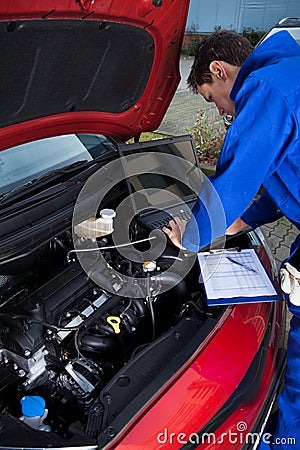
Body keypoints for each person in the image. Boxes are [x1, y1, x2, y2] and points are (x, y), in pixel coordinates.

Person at [163, 30, 300, 448]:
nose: (224, 113)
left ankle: (285, 442)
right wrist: (241, 223)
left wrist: (191, 238)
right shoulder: (289, 75)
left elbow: (235, 178)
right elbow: (283, 179)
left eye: (211, 99)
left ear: (220, 71)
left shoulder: (266, 88)